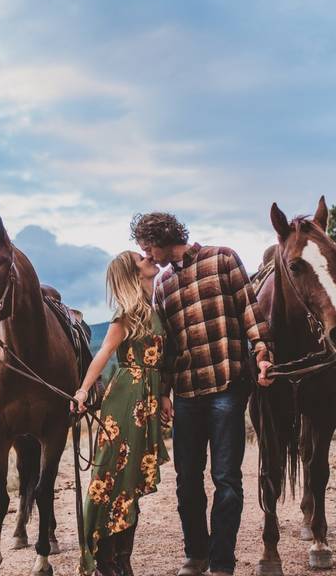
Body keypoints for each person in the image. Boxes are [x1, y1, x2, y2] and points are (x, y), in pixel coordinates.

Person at [132, 212, 274, 576]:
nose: (145, 252)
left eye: (146, 245)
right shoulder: (162, 285)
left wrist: (261, 354)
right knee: (187, 480)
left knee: (226, 478)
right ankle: (196, 553)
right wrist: (163, 392)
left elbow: (250, 310)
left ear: (161, 238)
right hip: (186, 393)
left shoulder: (223, 258)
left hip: (227, 386)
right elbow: (165, 346)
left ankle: (222, 563)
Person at [72, 250, 170, 576]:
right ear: (133, 273)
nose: (149, 257)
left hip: (149, 401)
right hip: (127, 400)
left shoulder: (154, 309)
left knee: (131, 481)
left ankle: (121, 560)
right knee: (111, 478)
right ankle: (103, 558)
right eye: (141, 258)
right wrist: (84, 390)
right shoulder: (126, 316)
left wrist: (164, 396)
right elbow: (103, 354)